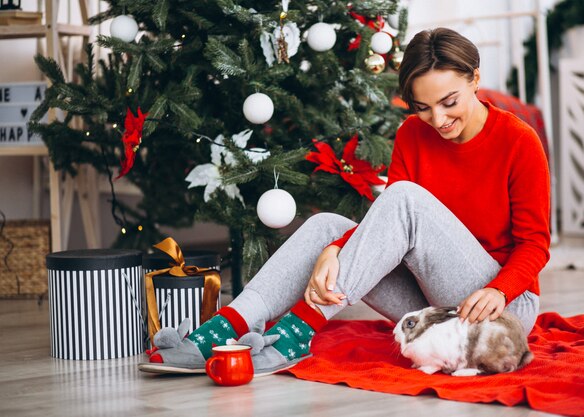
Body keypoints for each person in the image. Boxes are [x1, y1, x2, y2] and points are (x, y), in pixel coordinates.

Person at [139, 27, 551, 375]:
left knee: (403, 196)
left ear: (475, 79)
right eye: (424, 108)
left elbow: (535, 244)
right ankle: (225, 327)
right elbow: (390, 221)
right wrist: (334, 248)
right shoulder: (412, 133)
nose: (438, 120)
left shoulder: (518, 141)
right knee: (325, 228)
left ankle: (298, 331)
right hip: (433, 302)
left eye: (450, 102)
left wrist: (499, 290)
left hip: (502, 306)